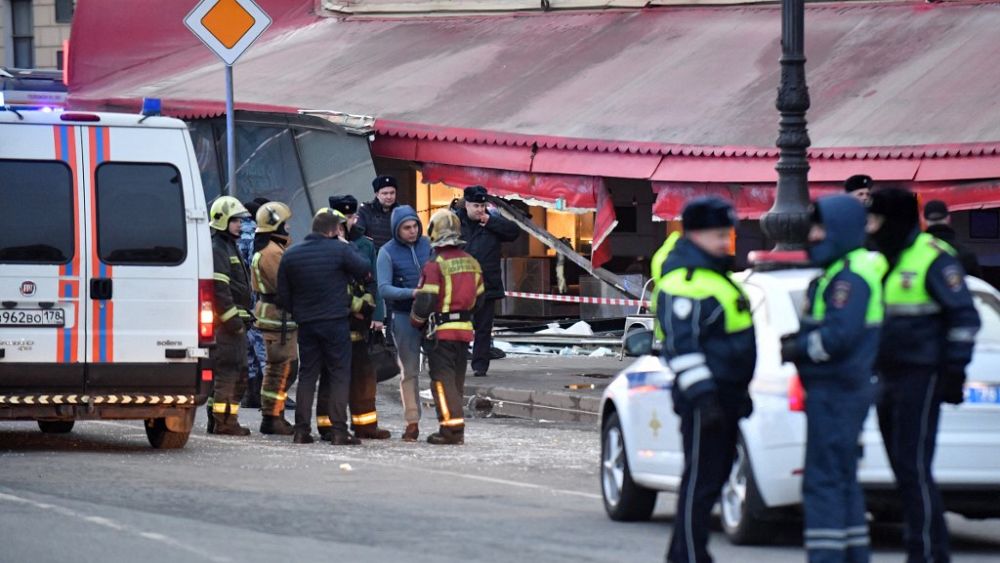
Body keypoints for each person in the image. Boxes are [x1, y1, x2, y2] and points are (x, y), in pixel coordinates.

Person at [868, 188, 981, 563]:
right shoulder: (881, 259)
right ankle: (923, 549)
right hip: (887, 377)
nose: (870, 227)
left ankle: (929, 554)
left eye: (876, 220)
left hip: (923, 374)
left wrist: (954, 371)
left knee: (914, 467)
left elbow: (965, 318)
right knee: (902, 468)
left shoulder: (933, 259)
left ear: (895, 220)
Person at [781, 195, 886, 562]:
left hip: (838, 390)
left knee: (823, 482)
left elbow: (839, 337)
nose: (812, 235)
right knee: (841, 480)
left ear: (839, 230)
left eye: (820, 227)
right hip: (839, 389)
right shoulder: (843, 270)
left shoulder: (850, 278)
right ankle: (855, 554)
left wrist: (801, 347)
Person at [651, 197, 756, 563]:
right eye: (718, 235)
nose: (726, 243)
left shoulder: (713, 278)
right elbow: (683, 348)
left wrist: (736, 393)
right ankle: (692, 555)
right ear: (695, 235)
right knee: (701, 481)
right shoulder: (686, 282)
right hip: (704, 401)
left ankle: (684, 553)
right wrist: (706, 397)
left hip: (722, 397)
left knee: (711, 480)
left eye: (727, 235)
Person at [277, 209, 374, 445]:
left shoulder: (291, 254)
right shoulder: (341, 250)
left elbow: (283, 296)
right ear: (333, 230)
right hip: (335, 322)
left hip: (307, 324)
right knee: (339, 374)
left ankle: (301, 431)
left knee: (307, 375)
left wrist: (300, 313)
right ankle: (339, 431)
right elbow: (365, 270)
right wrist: (346, 246)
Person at [410, 210, 485, 445]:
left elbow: (425, 301)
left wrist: (416, 321)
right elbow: (480, 299)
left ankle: (450, 430)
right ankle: (456, 428)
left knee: (441, 382)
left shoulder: (435, 264)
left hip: (441, 332)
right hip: (464, 330)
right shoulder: (472, 262)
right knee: (456, 382)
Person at [328, 195, 391, 440]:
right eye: (343, 218)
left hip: (360, 320)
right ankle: (334, 426)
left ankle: (365, 424)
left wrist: (377, 315)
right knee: (336, 376)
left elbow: (372, 280)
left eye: (351, 217)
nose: (348, 222)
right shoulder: (325, 244)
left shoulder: (364, 244)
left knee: (365, 375)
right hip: (336, 320)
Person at [376, 205, 432, 441]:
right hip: (403, 316)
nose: (412, 231)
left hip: (432, 314)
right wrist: (412, 293)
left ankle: (448, 420)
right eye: (406, 228)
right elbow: (384, 288)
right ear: (396, 230)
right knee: (409, 371)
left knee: (440, 369)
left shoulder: (428, 245)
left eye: (414, 226)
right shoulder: (386, 252)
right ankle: (412, 421)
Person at [455, 185, 520, 377]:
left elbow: (513, 232)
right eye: (475, 206)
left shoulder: (492, 221)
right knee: (459, 326)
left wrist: (491, 221)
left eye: (482, 206)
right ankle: (457, 362)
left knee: (483, 328)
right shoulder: (455, 221)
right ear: (466, 204)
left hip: (487, 284)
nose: (479, 210)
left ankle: (480, 366)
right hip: (461, 285)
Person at [207, 196, 254, 436]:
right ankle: (225, 422)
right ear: (222, 220)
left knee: (234, 373)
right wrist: (233, 321)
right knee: (231, 374)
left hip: (234, 322)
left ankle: (218, 420)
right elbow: (220, 290)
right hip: (227, 326)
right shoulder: (219, 247)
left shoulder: (228, 244)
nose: (240, 225)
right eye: (235, 220)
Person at [250, 201, 297, 436]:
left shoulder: (273, 248)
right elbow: (286, 283)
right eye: (284, 223)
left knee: (281, 367)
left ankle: (274, 413)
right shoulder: (272, 252)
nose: (288, 228)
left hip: (278, 316)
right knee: (280, 368)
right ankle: (271, 416)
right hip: (277, 317)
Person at [240, 197, 270, 410]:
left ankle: (249, 394)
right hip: (257, 301)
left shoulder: (234, 232)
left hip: (239, 301)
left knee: (248, 350)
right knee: (264, 350)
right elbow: (258, 269)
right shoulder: (256, 236)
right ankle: (269, 397)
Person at [924, 199, 983, 278]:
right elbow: (977, 286)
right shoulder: (966, 254)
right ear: (948, 218)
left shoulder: (915, 252)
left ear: (924, 220)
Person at [358, 175, 400, 252]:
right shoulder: (366, 210)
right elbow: (359, 237)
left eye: (392, 193)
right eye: (385, 193)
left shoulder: (401, 212)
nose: (389, 197)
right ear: (377, 194)